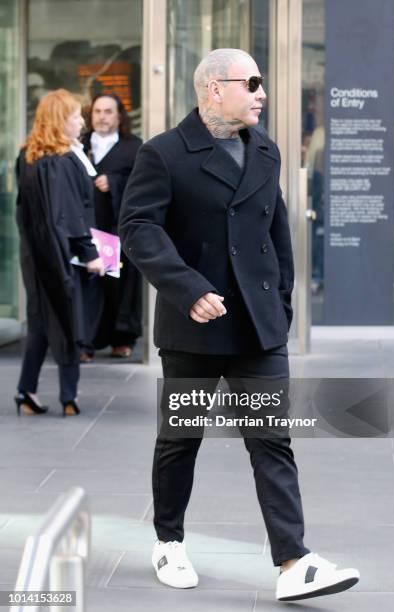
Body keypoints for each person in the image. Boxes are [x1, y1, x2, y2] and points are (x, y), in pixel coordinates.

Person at [119, 49, 360, 601]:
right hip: (194, 326)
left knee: (272, 440)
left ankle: (294, 562)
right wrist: (186, 288)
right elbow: (138, 229)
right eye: (250, 83)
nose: (261, 93)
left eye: (261, 83)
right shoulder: (164, 154)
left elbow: (274, 232)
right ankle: (169, 541)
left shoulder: (266, 149)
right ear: (212, 89)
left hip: (258, 327)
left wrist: (283, 304)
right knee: (180, 439)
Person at [15, 89, 105, 417]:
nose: (81, 120)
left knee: (40, 320)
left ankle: (27, 391)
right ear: (60, 120)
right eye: (75, 116)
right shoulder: (64, 161)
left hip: (35, 254)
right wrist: (90, 252)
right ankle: (69, 397)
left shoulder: (26, 157)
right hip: (65, 255)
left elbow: (23, 212)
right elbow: (71, 216)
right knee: (69, 319)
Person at [81, 94, 143, 360]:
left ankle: (121, 338)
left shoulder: (134, 147)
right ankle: (86, 341)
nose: (102, 116)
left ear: (119, 116)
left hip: (114, 229)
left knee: (118, 285)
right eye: (97, 111)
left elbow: (142, 183)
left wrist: (115, 181)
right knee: (87, 286)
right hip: (83, 228)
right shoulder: (79, 145)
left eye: (108, 111)